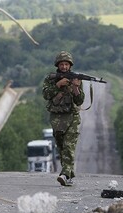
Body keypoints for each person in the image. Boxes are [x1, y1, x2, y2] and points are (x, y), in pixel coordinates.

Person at [42, 51, 85, 186]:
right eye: (62, 64)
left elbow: (79, 101)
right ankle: (69, 175)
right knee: (61, 147)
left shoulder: (76, 79)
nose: (64, 67)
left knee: (69, 146)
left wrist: (76, 88)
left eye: (67, 64)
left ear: (70, 65)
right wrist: (58, 85)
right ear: (58, 65)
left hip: (72, 117)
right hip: (57, 118)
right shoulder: (51, 78)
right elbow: (46, 94)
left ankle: (65, 174)